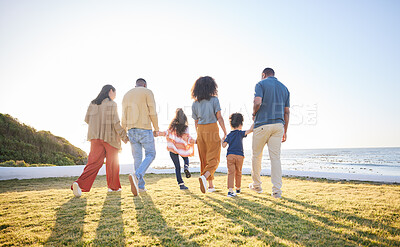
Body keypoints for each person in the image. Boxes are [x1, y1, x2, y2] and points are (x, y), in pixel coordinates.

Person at [71, 85, 129, 198]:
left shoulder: (92, 103)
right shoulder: (112, 104)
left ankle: (79, 183)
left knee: (93, 163)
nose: (115, 96)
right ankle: (113, 187)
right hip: (110, 137)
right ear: (110, 91)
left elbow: (87, 120)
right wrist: (124, 137)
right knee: (112, 163)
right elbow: (116, 123)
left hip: (94, 137)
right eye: (115, 93)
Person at [250, 68, 290, 199]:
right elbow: (286, 112)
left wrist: (254, 114)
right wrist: (285, 130)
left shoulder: (260, 84)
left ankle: (257, 185)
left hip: (262, 124)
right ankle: (277, 191)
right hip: (278, 126)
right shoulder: (284, 88)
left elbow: (257, 102)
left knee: (257, 156)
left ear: (263, 75)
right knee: (275, 159)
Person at [122, 78, 159, 196]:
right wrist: (156, 128)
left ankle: (140, 186)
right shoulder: (147, 92)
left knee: (137, 158)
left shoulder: (126, 94)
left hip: (131, 130)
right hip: (144, 128)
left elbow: (123, 115)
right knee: (151, 154)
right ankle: (137, 176)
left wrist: (124, 133)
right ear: (144, 85)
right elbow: (152, 111)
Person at [191, 76, 227, 193]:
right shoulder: (214, 100)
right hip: (212, 128)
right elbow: (219, 118)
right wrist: (225, 132)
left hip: (200, 130)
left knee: (204, 159)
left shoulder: (195, 104)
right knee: (214, 158)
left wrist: (198, 135)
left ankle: (210, 186)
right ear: (211, 87)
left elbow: (196, 122)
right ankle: (205, 177)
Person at [157, 108, 196, 190]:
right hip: (182, 149)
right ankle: (186, 167)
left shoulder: (172, 127)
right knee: (186, 159)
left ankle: (181, 184)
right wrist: (196, 141)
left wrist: (157, 133)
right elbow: (188, 138)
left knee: (177, 167)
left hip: (173, 149)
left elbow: (165, 133)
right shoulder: (185, 128)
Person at [222, 113, 253, 197]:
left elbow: (224, 145)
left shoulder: (229, 135)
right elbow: (250, 130)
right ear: (240, 124)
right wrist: (255, 120)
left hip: (230, 155)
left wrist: (223, 139)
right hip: (240, 156)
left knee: (231, 172)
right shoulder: (240, 133)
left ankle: (230, 190)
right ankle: (238, 188)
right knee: (238, 172)